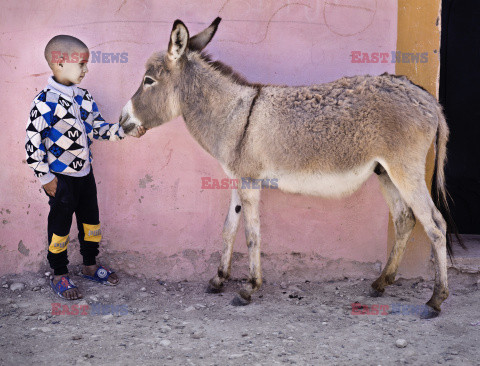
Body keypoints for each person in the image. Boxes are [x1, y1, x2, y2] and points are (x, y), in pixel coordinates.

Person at [25, 35, 146, 300]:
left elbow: (98, 129)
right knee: (60, 226)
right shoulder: (45, 102)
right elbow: (33, 144)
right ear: (58, 63)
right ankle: (59, 273)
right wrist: (45, 177)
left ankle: (90, 265)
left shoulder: (84, 97)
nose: (86, 70)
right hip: (61, 179)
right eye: (81, 64)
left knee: (91, 222)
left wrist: (124, 131)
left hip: (85, 175)